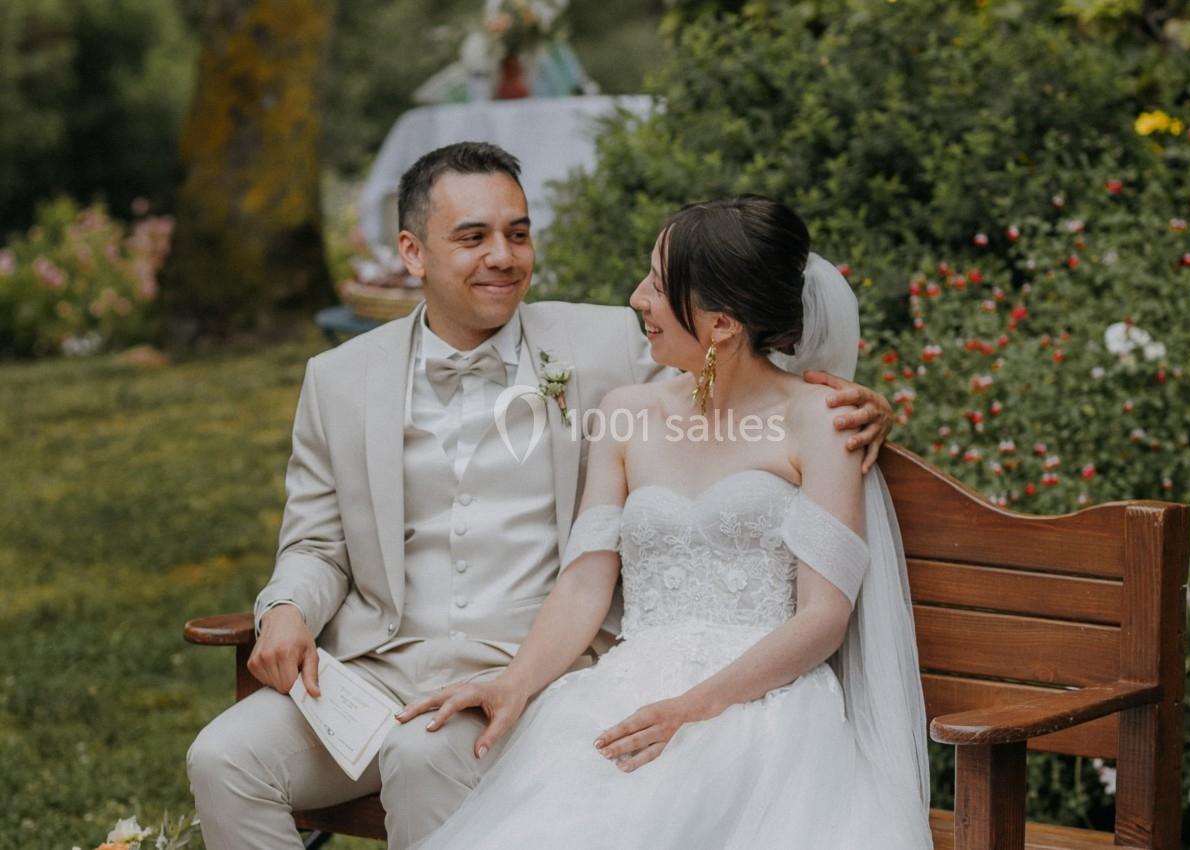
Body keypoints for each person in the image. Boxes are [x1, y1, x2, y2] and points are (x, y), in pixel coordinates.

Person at [185, 144, 895, 850]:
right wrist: (281, 610)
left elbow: (736, 349)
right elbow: (314, 541)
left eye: (518, 233)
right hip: (376, 667)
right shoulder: (338, 379)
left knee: (425, 758)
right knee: (221, 761)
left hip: (537, 661)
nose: (503, 255)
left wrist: (865, 408)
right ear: (412, 251)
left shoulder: (607, 343)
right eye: (473, 237)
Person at [399, 195, 933, 850]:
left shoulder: (821, 420)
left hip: (762, 707)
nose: (635, 297)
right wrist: (516, 682)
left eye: (656, 283)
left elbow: (822, 617)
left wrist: (694, 708)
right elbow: (585, 583)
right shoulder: (626, 411)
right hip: (627, 689)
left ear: (721, 325)